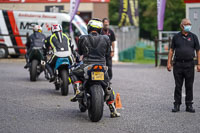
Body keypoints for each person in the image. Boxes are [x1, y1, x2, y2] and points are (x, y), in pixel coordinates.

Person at [70, 18, 120, 118]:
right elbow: (107, 53)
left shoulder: (83, 38)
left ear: (89, 28)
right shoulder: (106, 38)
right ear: (100, 29)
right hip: (102, 66)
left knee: (73, 72)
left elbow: (80, 52)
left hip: (87, 65)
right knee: (107, 86)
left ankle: (78, 91)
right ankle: (113, 110)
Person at [167, 18, 200, 113]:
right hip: (178, 64)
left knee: (189, 85)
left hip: (189, 64)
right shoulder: (176, 37)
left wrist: (199, 63)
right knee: (178, 85)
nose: (189, 25)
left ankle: (189, 105)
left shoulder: (194, 37)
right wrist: (169, 63)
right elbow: (171, 50)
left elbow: (198, 51)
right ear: (182, 26)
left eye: (190, 24)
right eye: (187, 24)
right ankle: (177, 104)